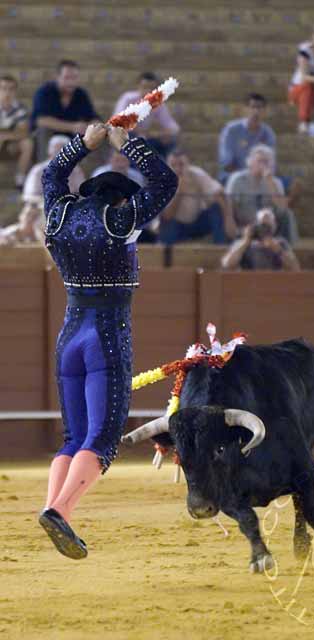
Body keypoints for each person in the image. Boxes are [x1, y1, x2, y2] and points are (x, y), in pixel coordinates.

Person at [38, 123, 178, 559]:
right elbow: (166, 181)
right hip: (105, 339)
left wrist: (84, 143)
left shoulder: (59, 212)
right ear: (120, 198)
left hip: (70, 338)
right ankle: (60, 511)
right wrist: (125, 143)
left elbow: (50, 176)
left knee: (72, 435)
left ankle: (52, 508)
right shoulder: (119, 219)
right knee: (101, 438)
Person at [159, 149, 237, 244]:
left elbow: (219, 194)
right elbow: (167, 216)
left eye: (181, 164)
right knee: (165, 223)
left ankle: (220, 247)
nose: (177, 169)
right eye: (173, 165)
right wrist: (179, 192)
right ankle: (167, 256)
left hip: (197, 221)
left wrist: (229, 220)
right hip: (176, 225)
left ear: (188, 165)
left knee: (216, 208)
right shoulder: (162, 181)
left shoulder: (197, 174)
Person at [225, 144, 299, 244]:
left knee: (288, 215)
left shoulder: (275, 182)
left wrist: (269, 181)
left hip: (270, 227)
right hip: (245, 226)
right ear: (249, 162)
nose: (263, 165)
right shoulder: (237, 180)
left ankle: (290, 249)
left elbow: (282, 208)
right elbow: (229, 207)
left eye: (267, 162)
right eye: (260, 161)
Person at [30, 60, 100, 161]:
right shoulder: (44, 92)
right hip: (49, 133)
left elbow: (93, 117)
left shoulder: (81, 94)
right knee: (44, 130)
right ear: (57, 77)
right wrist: (72, 127)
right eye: (67, 78)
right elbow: (41, 120)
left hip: (72, 135)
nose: (71, 82)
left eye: (74, 78)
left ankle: (88, 174)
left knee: (96, 133)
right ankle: (44, 169)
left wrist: (93, 126)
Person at [112, 72, 180, 158]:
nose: (147, 91)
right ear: (138, 86)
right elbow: (118, 122)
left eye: (151, 88)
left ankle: (164, 168)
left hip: (145, 138)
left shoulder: (157, 103)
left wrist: (167, 133)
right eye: (144, 87)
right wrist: (139, 131)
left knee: (170, 140)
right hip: (126, 136)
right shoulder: (127, 98)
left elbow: (172, 125)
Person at [218, 93, 276, 183]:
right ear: (245, 109)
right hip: (232, 177)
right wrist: (246, 176)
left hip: (259, 178)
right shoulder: (231, 130)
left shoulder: (268, 133)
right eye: (252, 107)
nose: (256, 111)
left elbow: (270, 164)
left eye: (259, 108)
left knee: (289, 184)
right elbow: (226, 163)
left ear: (265, 111)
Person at [221, 207, 300, 271]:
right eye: (262, 225)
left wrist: (277, 249)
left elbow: (295, 268)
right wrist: (245, 243)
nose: (264, 230)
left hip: (274, 283)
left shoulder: (281, 243)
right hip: (248, 282)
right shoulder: (243, 242)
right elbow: (227, 265)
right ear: (256, 225)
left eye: (267, 227)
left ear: (274, 226)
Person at [22, 135, 85, 205]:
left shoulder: (76, 171)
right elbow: (28, 196)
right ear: (49, 151)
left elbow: (82, 193)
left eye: (63, 150)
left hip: (69, 207)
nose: (59, 153)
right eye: (56, 149)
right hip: (43, 207)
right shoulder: (38, 170)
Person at [0, 75, 34, 188]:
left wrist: (5, 136)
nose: (7, 92)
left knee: (27, 143)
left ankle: (20, 179)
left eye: (11, 89)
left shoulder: (20, 109)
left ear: (15, 91)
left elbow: (23, 132)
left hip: (12, 145)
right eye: (3, 88)